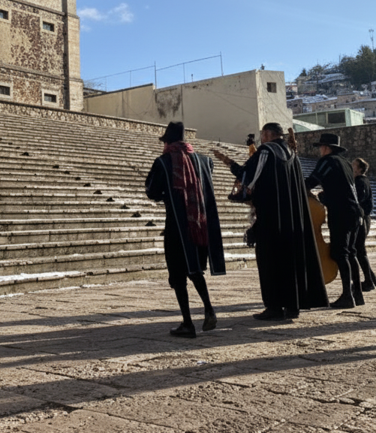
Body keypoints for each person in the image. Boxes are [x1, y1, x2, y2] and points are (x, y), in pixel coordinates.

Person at [214, 123, 328, 320]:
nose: (261, 138)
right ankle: (293, 305)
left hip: (271, 216)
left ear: (267, 134)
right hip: (292, 217)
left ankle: (274, 307)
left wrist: (228, 162)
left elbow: (248, 177)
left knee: (270, 260)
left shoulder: (266, 151)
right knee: (290, 260)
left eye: (262, 134)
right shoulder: (291, 154)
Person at [146, 122, 225, 337]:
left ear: (168, 142)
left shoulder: (163, 162)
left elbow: (151, 191)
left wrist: (167, 196)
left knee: (178, 275)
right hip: (200, 224)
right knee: (195, 270)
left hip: (176, 226)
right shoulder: (204, 161)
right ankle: (209, 309)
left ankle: (188, 323)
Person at [305, 133, 364, 309]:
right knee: (351, 253)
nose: (320, 150)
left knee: (340, 253)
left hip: (341, 212)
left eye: (321, 147)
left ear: (326, 148)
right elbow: (340, 187)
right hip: (355, 211)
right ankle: (357, 293)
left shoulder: (327, 161)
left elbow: (311, 181)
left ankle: (347, 296)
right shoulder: (345, 162)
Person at [352, 158, 376, 291]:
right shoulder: (363, 181)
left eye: (353, 165)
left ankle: (369, 280)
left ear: (359, 169)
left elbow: (358, 199)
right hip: (364, 218)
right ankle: (371, 278)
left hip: (362, 219)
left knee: (359, 251)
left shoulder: (360, 182)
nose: (351, 167)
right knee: (359, 250)